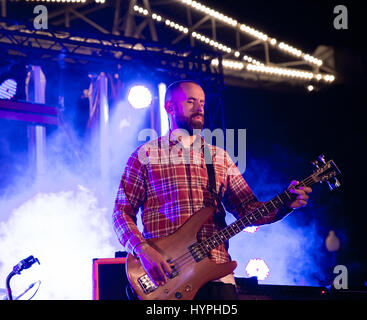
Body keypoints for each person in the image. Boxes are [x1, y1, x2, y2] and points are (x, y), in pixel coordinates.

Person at [112, 80, 312, 300]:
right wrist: (142, 250)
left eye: (202, 102)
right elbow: (121, 212)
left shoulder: (218, 157)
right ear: (169, 107)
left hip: (216, 273)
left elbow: (247, 209)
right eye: (190, 101)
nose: (199, 108)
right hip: (167, 276)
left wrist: (285, 204)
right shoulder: (146, 155)